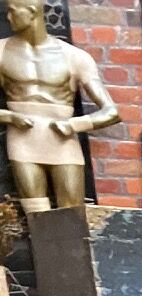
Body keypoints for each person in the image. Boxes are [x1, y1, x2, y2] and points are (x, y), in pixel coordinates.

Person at [0, 0, 117, 212]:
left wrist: (73, 125)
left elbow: (112, 112)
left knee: (72, 213)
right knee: (36, 212)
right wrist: (10, 117)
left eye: (12, 12)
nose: (8, 18)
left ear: (33, 11)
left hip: (63, 140)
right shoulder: (1, 51)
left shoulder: (75, 57)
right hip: (23, 139)